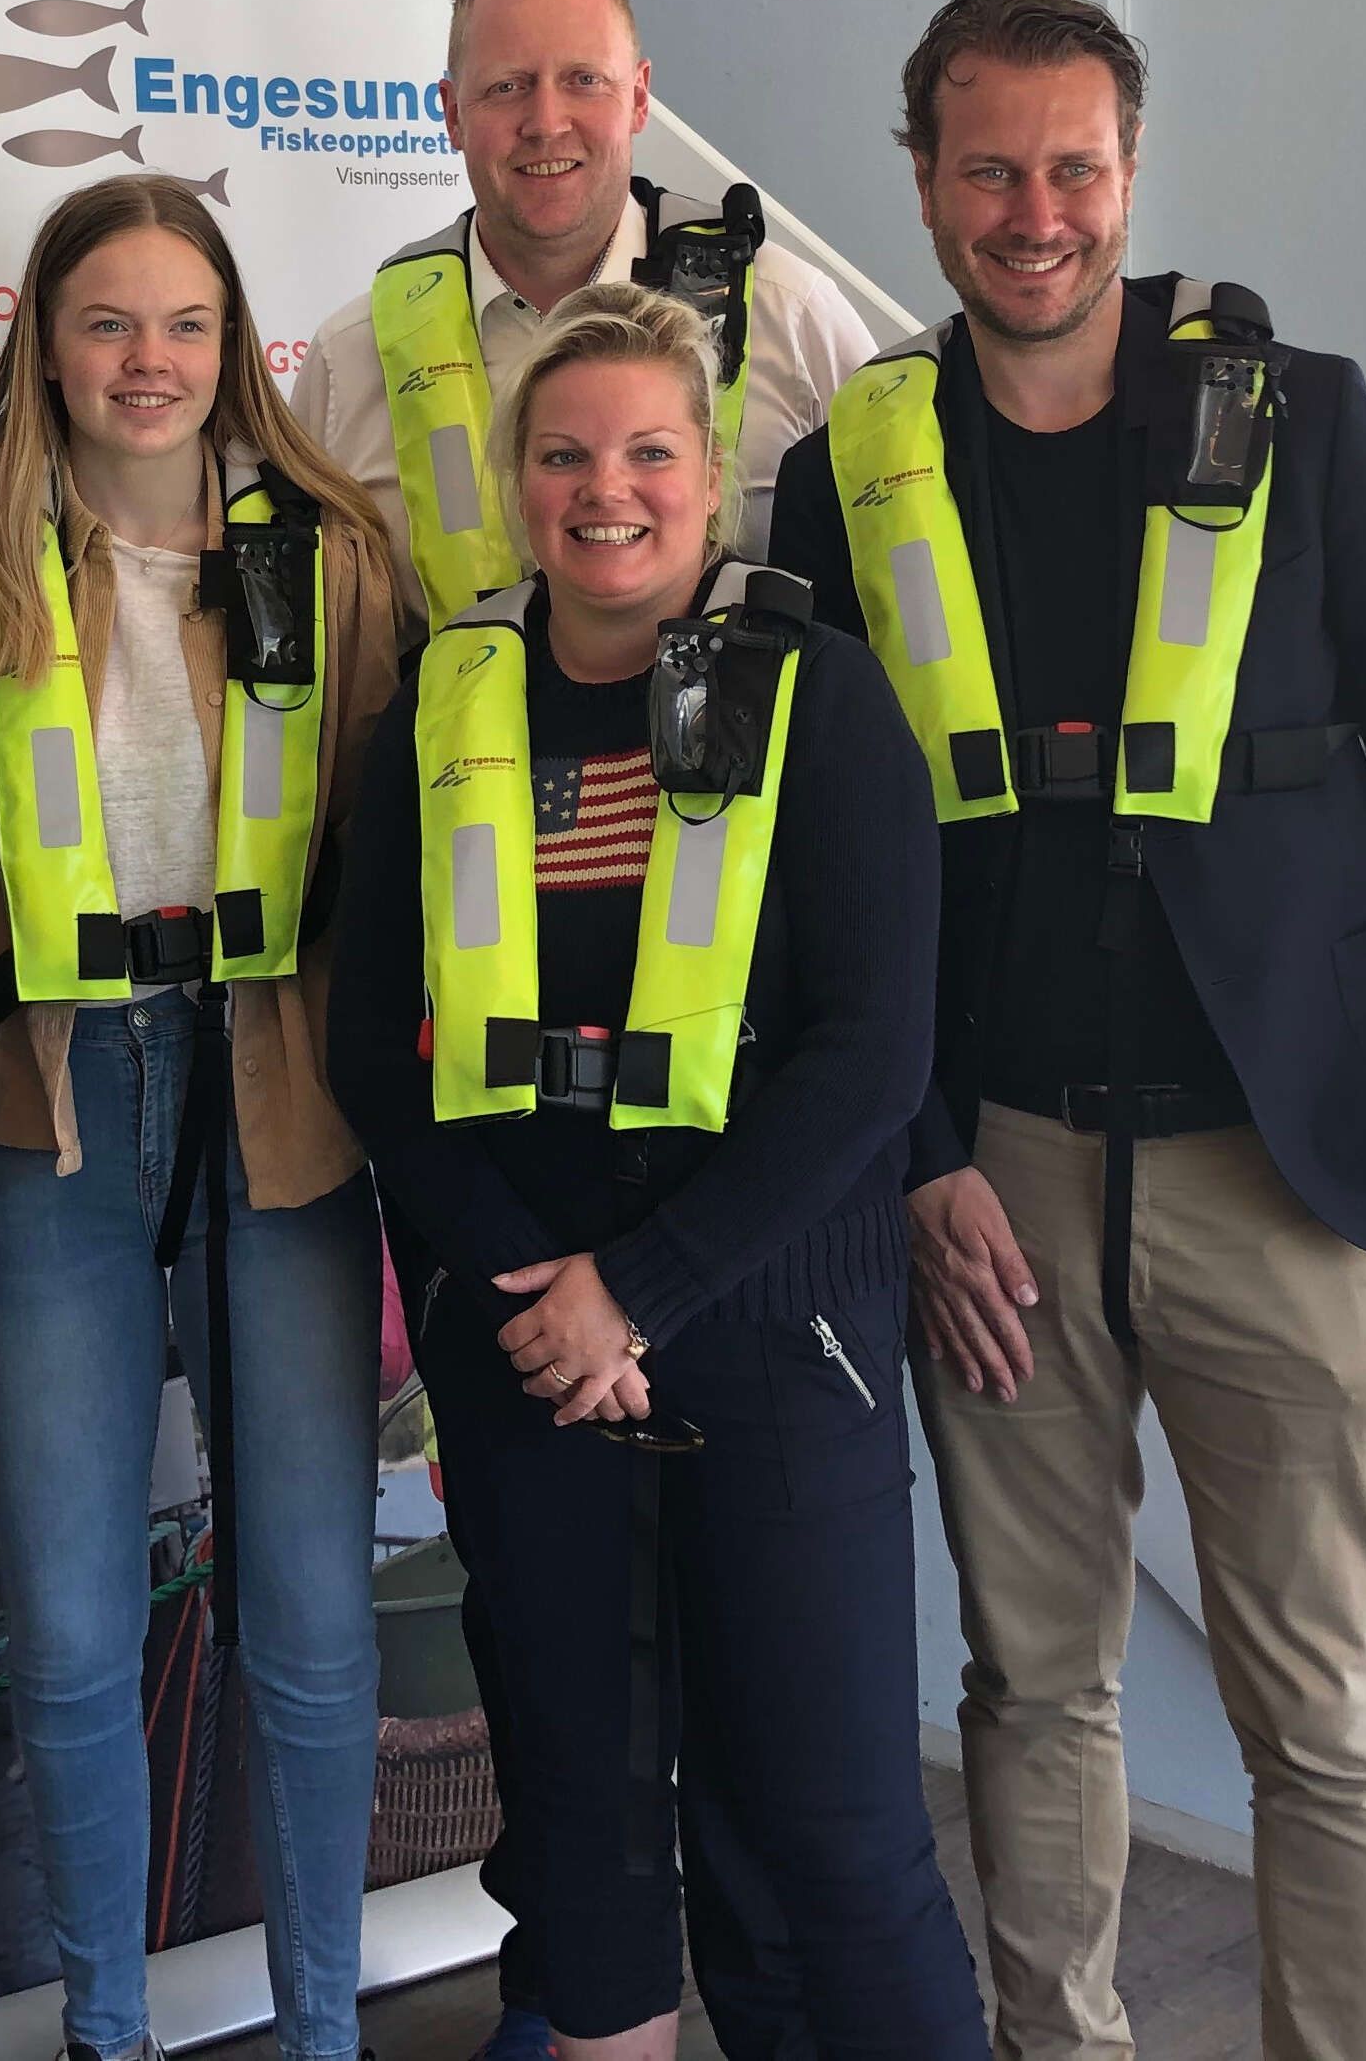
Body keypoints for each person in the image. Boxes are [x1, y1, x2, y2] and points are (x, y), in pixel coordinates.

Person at [769, 0, 1366, 2061]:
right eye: (989, 170)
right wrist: (918, 1163)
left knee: (1327, 1715)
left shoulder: (1308, 426)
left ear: (1130, 172)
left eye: (1073, 169)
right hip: (999, 1172)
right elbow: (824, 884)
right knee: (1032, 1684)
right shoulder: (848, 480)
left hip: (1284, 1163)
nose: (1035, 215)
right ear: (923, 181)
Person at [331, 284, 992, 2061]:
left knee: (830, 1825)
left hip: (777, 1327)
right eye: (563, 455)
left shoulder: (823, 699)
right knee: (581, 1822)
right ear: (514, 481)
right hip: (525, 1336)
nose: (603, 490)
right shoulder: (442, 709)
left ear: (710, 476)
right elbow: (373, 1045)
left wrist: (646, 1288)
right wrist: (532, 1290)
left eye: (646, 453)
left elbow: (872, 1052)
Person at [0, 174, 418, 2061]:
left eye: (186, 323)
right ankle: (107, 2027)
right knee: (64, 1624)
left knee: (307, 1614)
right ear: (44, 342)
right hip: (46, 1110)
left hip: (278, 1108)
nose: (149, 360)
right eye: (107, 322)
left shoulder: (334, 552)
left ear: (236, 345)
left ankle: (322, 2029)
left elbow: (388, 859)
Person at [290, 0, 876, 630]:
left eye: (583, 80)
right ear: (451, 113)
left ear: (639, 96)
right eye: (506, 86)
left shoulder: (794, 318)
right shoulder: (350, 362)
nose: (546, 121)